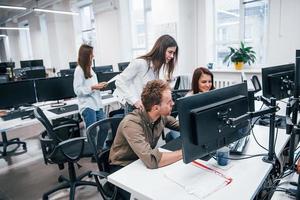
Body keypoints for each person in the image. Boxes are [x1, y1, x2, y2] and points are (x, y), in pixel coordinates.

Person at [109, 79, 182, 199]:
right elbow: (152, 161)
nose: (173, 104)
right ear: (156, 108)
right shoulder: (132, 123)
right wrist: (184, 153)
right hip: (123, 167)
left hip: (141, 162)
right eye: (169, 102)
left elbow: (181, 126)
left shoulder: (161, 117)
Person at [114, 34, 179, 113]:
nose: (172, 56)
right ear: (161, 49)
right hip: (135, 109)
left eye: (173, 53)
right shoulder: (140, 63)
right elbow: (119, 81)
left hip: (148, 109)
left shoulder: (158, 68)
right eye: (170, 52)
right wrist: (135, 101)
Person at [73, 44, 108, 140]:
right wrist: (93, 87)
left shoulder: (90, 69)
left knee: (105, 126)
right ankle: (94, 152)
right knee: (92, 133)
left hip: (97, 104)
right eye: (91, 54)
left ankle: (99, 150)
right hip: (88, 106)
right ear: (85, 55)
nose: (93, 56)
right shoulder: (79, 70)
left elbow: (93, 86)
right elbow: (77, 90)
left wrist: (99, 85)